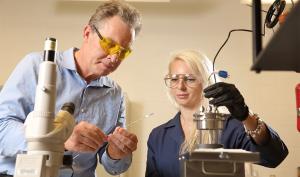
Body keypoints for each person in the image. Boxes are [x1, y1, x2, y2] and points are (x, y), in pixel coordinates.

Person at [0, 0, 142, 177]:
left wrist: (116, 153)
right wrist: (59, 139)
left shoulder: (115, 94)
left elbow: (113, 167)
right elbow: (2, 129)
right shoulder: (37, 67)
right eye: (110, 44)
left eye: (123, 51)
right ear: (87, 33)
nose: (114, 57)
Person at [145, 49, 288, 177]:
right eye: (175, 78)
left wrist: (245, 115)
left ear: (206, 81)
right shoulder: (158, 136)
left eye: (190, 79)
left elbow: (274, 157)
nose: (180, 86)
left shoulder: (231, 127)